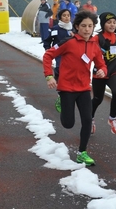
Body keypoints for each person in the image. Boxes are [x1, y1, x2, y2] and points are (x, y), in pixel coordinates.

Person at [43, 10, 107, 166]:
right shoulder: (68, 42)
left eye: (90, 26)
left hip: (84, 89)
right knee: (68, 124)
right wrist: (49, 76)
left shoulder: (95, 46)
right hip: (67, 89)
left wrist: (102, 70)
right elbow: (48, 55)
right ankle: (61, 102)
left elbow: (101, 64)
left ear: (93, 28)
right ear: (77, 27)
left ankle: (82, 152)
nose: (87, 29)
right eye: (83, 26)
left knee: (87, 121)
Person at [91, 12, 116, 135]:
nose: (112, 25)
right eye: (109, 22)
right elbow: (92, 53)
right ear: (103, 24)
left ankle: (112, 118)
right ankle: (90, 118)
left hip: (114, 70)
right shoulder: (97, 38)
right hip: (99, 72)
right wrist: (103, 48)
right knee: (97, 99)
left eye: (114, 22)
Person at [42, 9, 74, 112]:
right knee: (60, 68)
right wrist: (47, 49)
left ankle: (69, 92)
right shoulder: (55, 28)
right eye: (64, 15)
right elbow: (47, 40)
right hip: (59, 54)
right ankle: (61, 94)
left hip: (72, 55)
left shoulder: (74, 29)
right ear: (60, 17)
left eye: (68, 15)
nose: (66, 17)